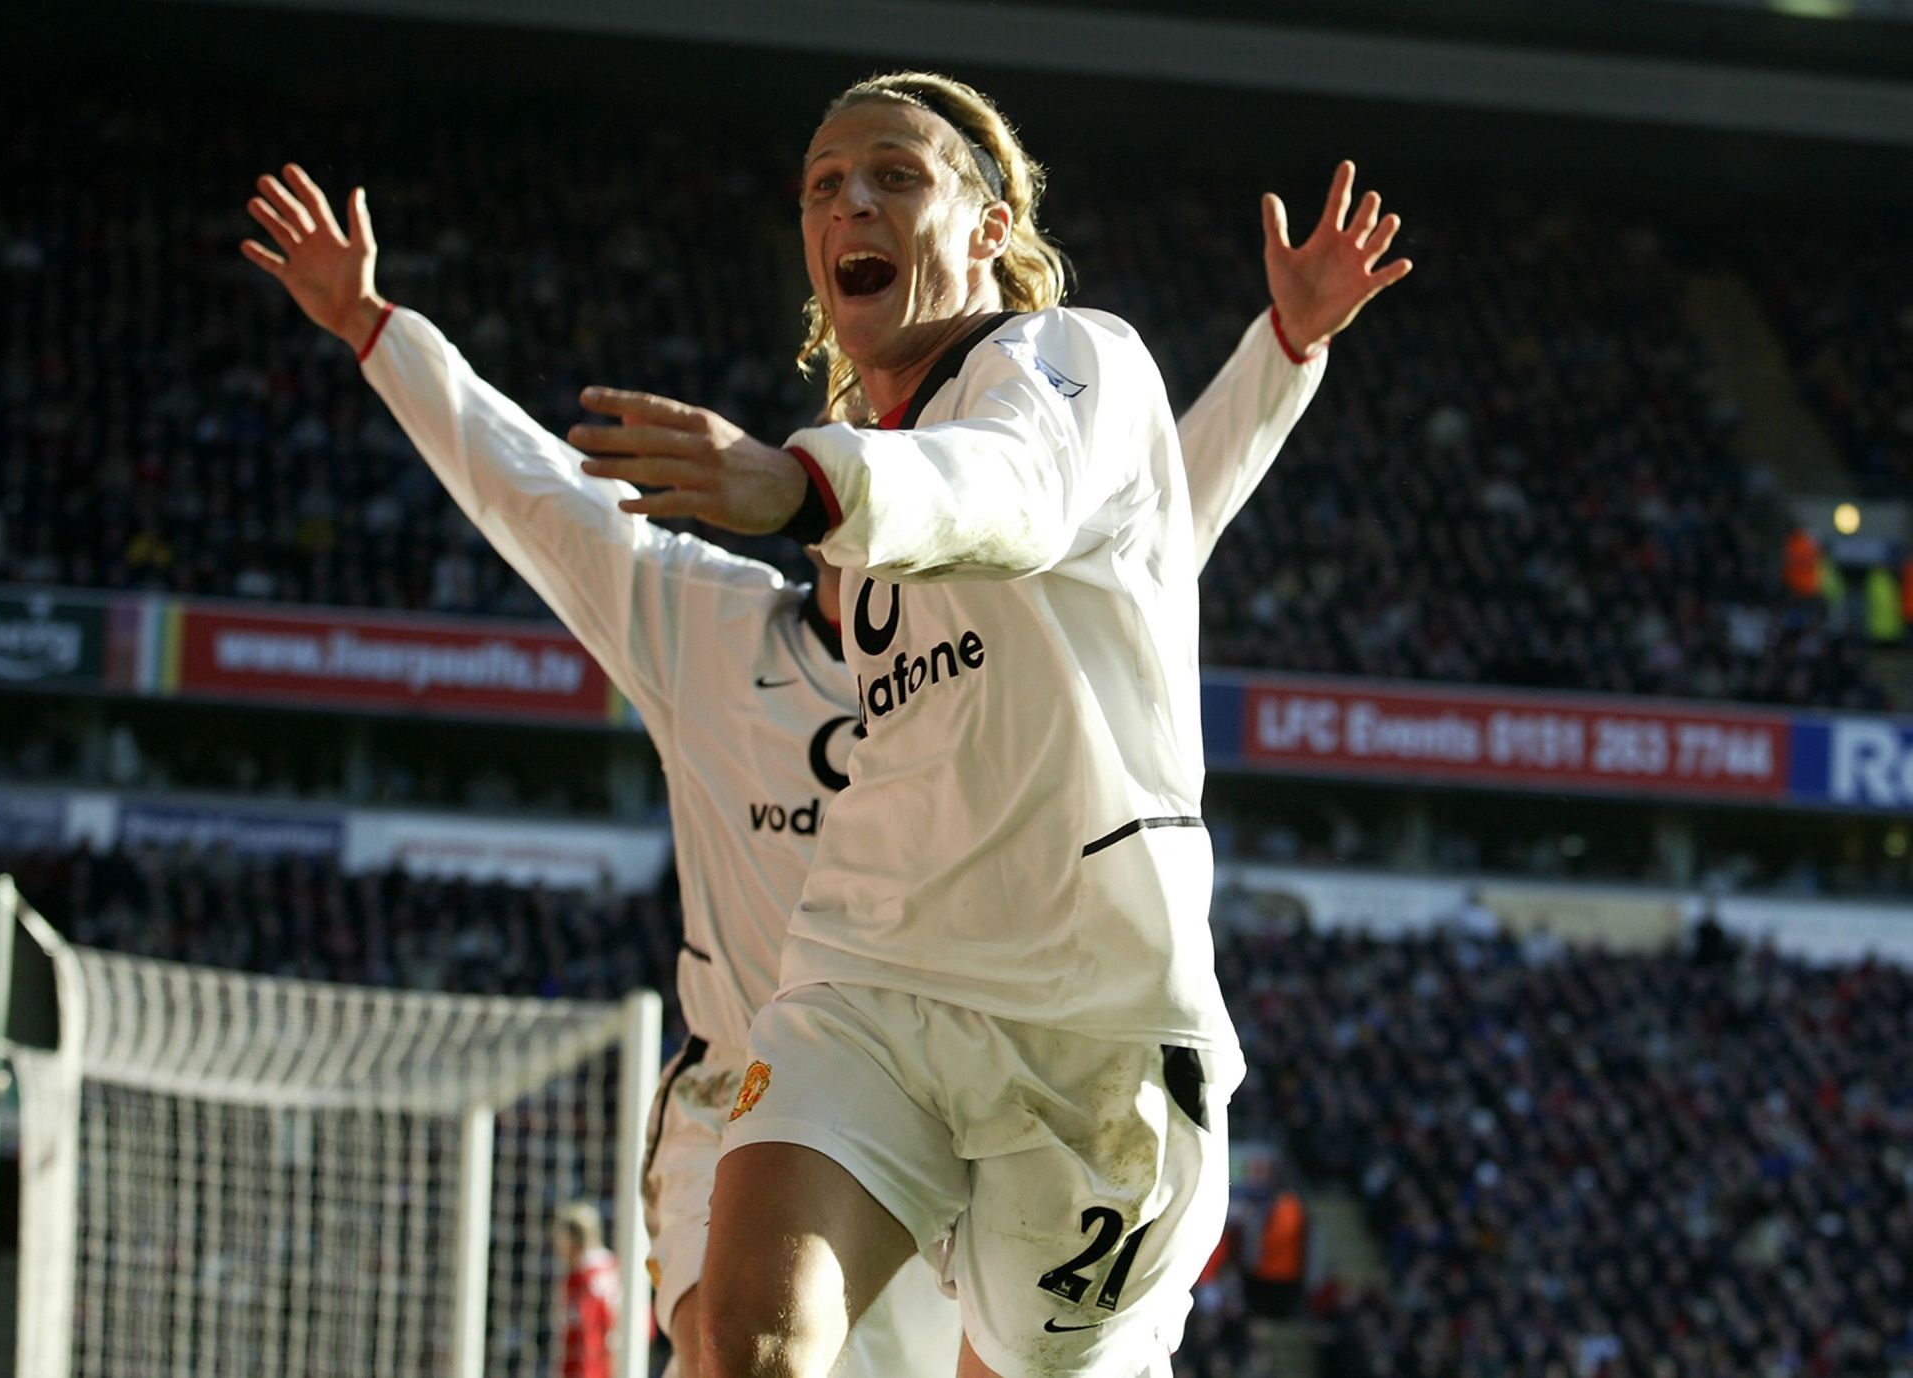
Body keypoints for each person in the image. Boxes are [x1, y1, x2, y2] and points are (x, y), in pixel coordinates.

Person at [239, 114, 1404, 1377]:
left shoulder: (1048, 410)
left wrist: (1284, 353)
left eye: (893, 178)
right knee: (740, 1346)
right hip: (836, 1015)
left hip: (1085, 1014)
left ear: (989, 230)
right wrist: (378, 333)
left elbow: (1118, 483)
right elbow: (544, 500)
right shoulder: (710, 631)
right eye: (822, 186)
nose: (849, 205)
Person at [553, 1201, 621, 1378]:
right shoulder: (614, 1267)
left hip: (592, 1369)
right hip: (621, 1363)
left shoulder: (580, 1279)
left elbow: (582, 1336)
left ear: (572, 1239)